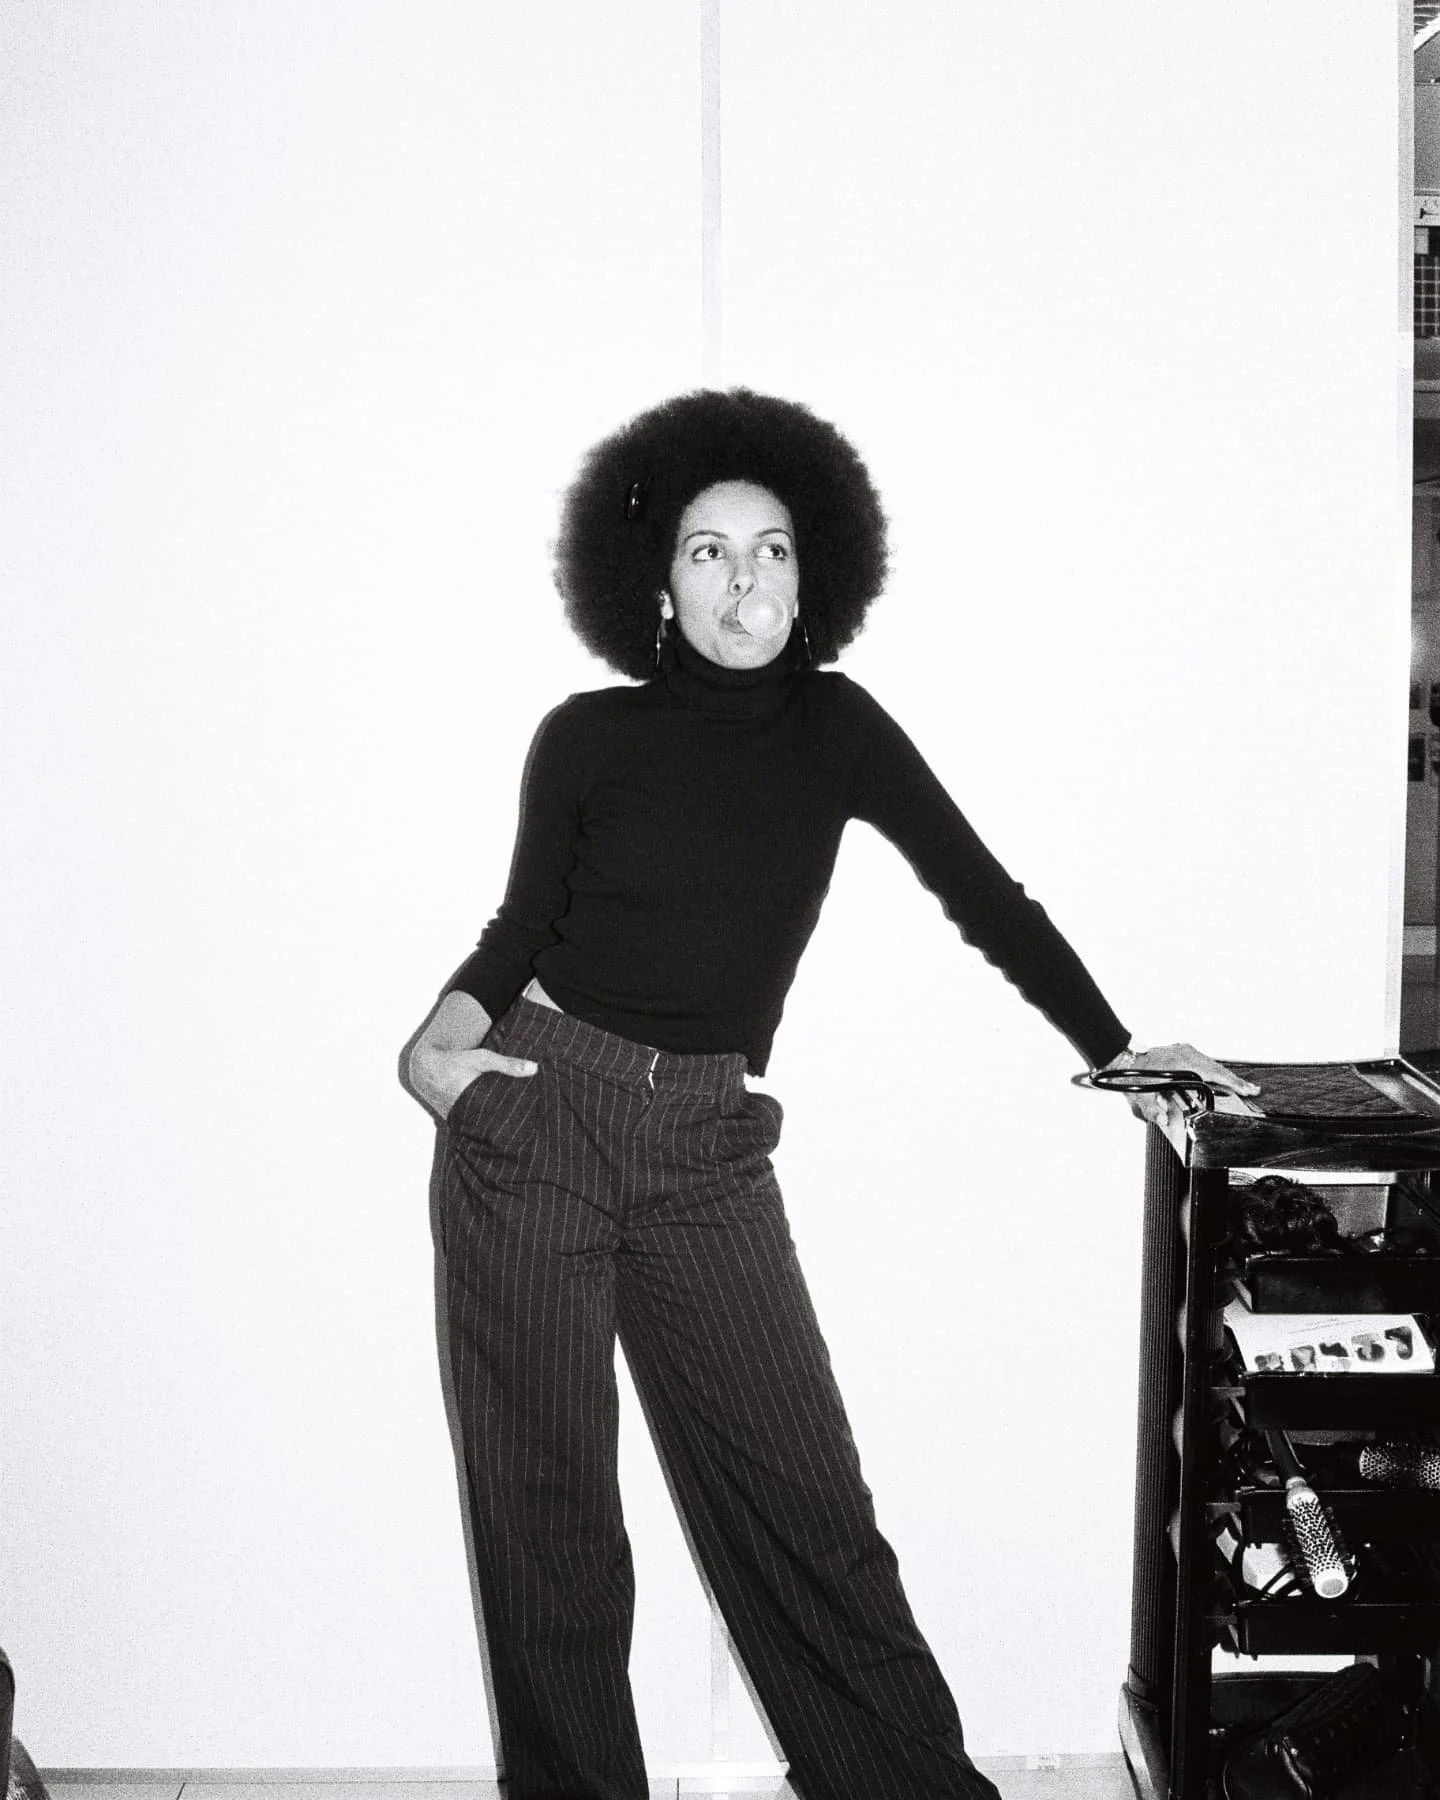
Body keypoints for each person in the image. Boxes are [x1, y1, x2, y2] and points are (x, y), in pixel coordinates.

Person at [404, 388, 1252, 1800]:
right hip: (536, 1115)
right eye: (709, 550)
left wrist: (1119, 1045)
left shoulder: (839, 726)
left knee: (807, 1506)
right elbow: (517, 930)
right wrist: (435, 1052)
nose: (745, 577)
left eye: (774, 548)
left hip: (705, 1141)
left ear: (815, 574)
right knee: (547, 1527)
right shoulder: (585, 734)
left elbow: (983, 893)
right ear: (657, 587)